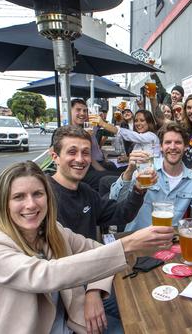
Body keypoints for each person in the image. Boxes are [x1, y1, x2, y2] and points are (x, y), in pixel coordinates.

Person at [0, 161, 174, 334]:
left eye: (38, 194)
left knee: (146, 316)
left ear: (48, 198)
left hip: (70, 323)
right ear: (2, 203)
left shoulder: (51, 231)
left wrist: (94, 290)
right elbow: (44, 275)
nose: (31, 204)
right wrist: (127, 244)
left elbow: (96, 251)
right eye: (19, 197)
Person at [49, 125, 154, 332]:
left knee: (145, 307)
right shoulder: (42, 196)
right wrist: (92, 291)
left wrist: (138, 189)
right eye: (72, 152)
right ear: (55, 156)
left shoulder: (86, 192)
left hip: (90, 281)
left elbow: (121, 214)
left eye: (85, 153)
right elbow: (56, 264)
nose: (80, 159)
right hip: (61, 297)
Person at [110, 122, 192, 231]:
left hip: (167, 242)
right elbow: (115, 202)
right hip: (136, 240)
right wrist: (128, 172)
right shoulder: (146, 169)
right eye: (168, 142)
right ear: (161, 147)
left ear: (186, 147)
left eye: (178, 142)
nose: (173, 147)